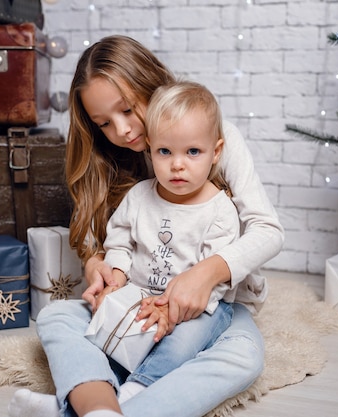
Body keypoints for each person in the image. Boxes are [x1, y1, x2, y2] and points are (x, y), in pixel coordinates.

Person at [8, 35, 284, 417]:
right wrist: (98, 266)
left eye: (127, 109)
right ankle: (100, 406)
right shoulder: (115, 169)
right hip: (136, 298)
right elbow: (94, 239)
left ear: (149, 83)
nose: (121, 130)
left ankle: (85, 410)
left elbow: (268, 231)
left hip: (209, 306)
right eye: (104, 123)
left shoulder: (210, 138)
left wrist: (205, 275)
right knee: (56, 317)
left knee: (244, 357)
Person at [100, 80, 239, 399]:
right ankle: (99, 389)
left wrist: (172, 312)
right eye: (165, 151)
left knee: (183, 341)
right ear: (150, 147)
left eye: (193, 151)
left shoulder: (219, 211)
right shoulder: (139, 197)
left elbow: (215, 280)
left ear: (215, 152)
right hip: (139, 294)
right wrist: (117, 276)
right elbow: (119, 241)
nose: (178, 164)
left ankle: (138, 389)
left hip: (201, 307)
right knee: (107, 334)